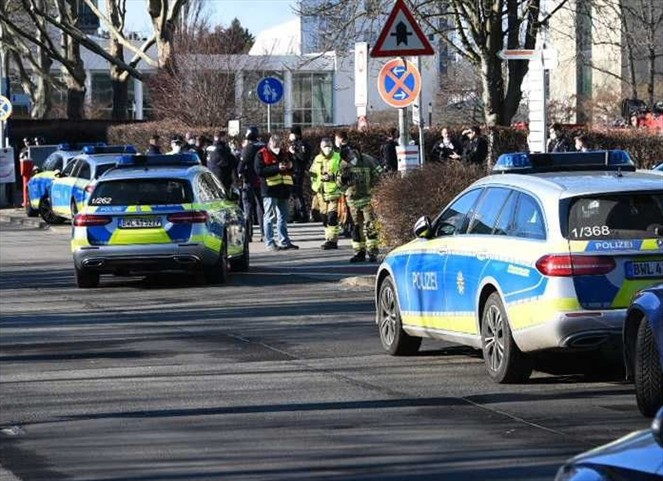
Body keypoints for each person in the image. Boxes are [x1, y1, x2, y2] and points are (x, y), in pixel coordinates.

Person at [255, 134, 299, 251]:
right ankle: (269, 243)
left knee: (283, 217)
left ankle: (284, 241)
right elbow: (260, 171)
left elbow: (292, 167)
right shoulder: (261, 154)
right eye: (275, 145)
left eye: (278, 145)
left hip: (283, 189)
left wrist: (290, 166)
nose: (277, 147)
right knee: (269, 217)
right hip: (269, 190)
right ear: (270, 143)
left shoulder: (283, 153)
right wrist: (277, 168)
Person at [339, 147, 381, 263]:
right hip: (352, 200)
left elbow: (380, 175)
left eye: (350, 158)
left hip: (368, 199)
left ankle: (372, 252)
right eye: (347, 160)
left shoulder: (368, 160)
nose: (349, 161)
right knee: (356, 227)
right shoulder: (343, 164)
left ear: (353, 153)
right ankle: (359, 252)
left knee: (370, 226)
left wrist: (376, 192)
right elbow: (339, 184)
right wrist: (343, 179)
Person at [309, 138, 343, 250]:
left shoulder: (338, 157)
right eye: (325, 146)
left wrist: (333, 177)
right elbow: (313, 174)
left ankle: (332, 241)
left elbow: (344, 174)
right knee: (323, 217)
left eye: (329, 146)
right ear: (321, 148)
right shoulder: (317, 159)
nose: (327, 148)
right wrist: (315, 186)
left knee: (332, 217)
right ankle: (328, 238)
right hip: (321, 193)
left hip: (334, 192)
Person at [238, 127, 265, 242]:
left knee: (248, 208)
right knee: (261, 207)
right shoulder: (264, 146)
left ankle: (248, 234)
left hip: (249, 181)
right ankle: (264, 233)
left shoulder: (247, 148)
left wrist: (240, 174)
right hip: (261, 180)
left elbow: (241, 165)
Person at [287, 126, 311, 223]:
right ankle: (297, 213)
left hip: (298, 171)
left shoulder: (301, 144)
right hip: (293, 171)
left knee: (298, 193)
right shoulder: (294, 143)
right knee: (294, 193)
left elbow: (302, 157)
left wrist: (294, 152)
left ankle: (302, 215)